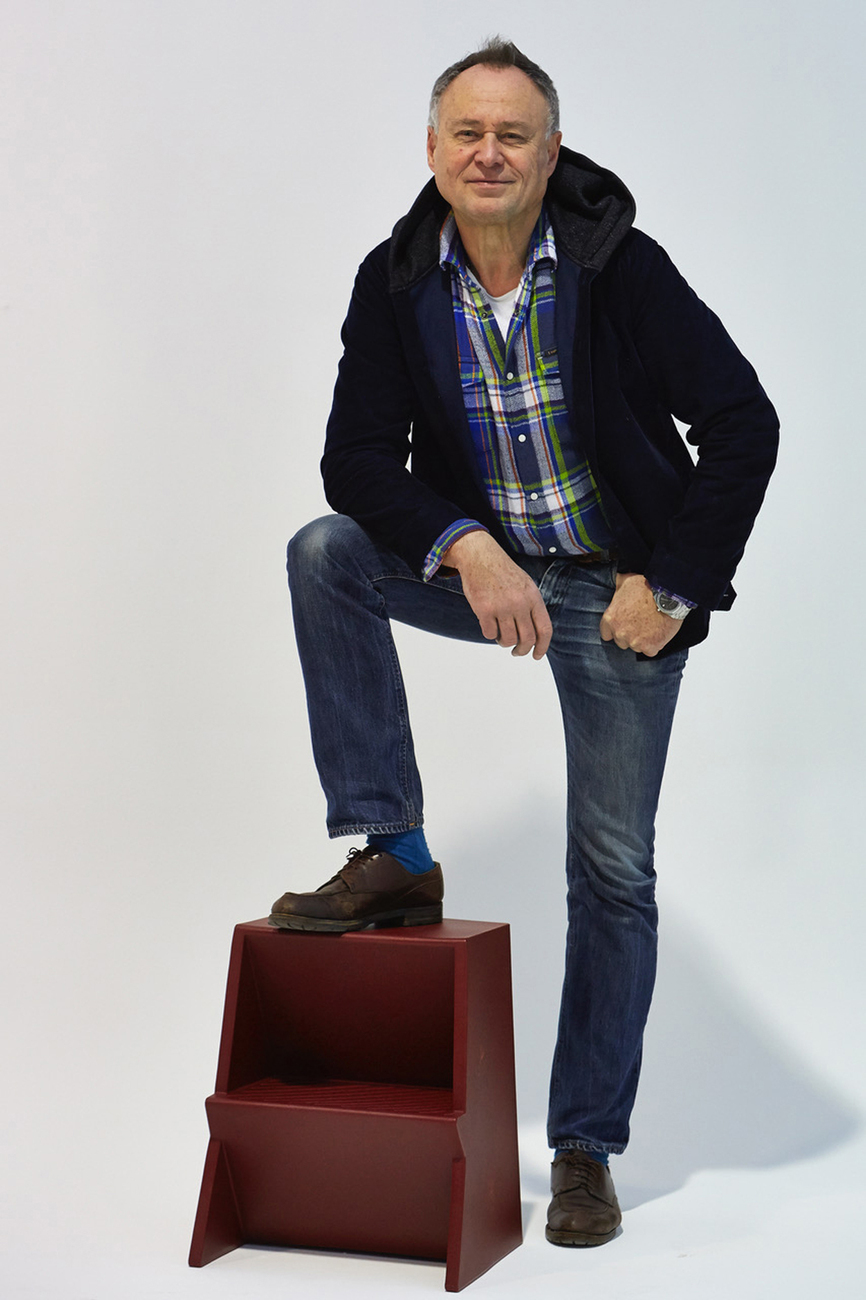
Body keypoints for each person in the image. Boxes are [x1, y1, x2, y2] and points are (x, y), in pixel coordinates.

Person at [269, 38, 778, 1247]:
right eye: (467, 133)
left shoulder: (617, 266)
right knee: (325, 552)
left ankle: (583, 1147)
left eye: (513, 134)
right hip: (491, 572)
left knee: (611, 870)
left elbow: (741, 423)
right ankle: (394, 851)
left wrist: (673, 585)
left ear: (551, 154)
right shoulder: (396, 280)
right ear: (431, 151)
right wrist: (461, 544)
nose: (487, 153)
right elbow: (353, 462)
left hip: (616, 592)